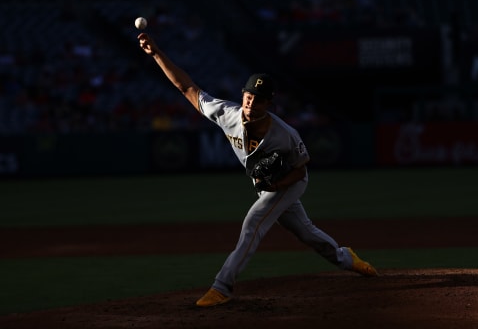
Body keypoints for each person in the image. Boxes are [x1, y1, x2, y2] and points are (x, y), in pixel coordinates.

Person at [137, 32, 378, 307]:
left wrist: (276, 186)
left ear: (268, 104)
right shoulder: (226, 114)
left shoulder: (285, 134)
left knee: (254, 224)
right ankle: (346, 258)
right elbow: (187, 88)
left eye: (259, 99)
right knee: (306, 232)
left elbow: (301, 170)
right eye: (249, 95)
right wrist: (156, 53)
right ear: (243, 94)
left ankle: (222, 286)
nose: (252, 102)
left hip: (291, 181)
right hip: (270, 184)